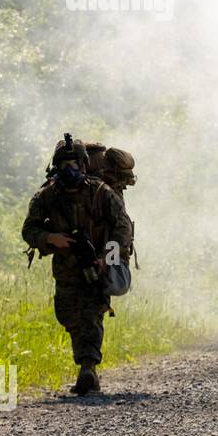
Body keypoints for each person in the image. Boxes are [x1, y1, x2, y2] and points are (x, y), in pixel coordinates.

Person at [21, 134, 134, 395]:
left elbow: (122, 227)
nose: (69, 171)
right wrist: (51, 238)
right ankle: (86, 365)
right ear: (55, 167)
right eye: (63, 165)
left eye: (74, 165)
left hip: (98, 262)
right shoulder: (47, 196)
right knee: (68, 315)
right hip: (66, 267)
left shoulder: (101, 193)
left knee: (92, 312)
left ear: (83, 166)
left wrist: (109, 258)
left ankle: (88, 368)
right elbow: (29, 229)